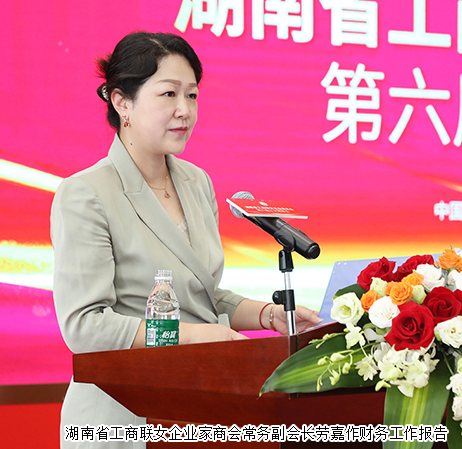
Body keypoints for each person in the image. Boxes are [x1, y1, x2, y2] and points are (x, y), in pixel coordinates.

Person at [51, 31, 322, 448]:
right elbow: (85, 327)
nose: (185, 110)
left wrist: (269, 316)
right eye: (169, 94)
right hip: (122, 415)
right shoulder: (86, 193)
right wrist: (197, 336)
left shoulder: (196, 182)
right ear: (122, 102)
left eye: (192, 95)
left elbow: (201, 295)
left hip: (197, 409)